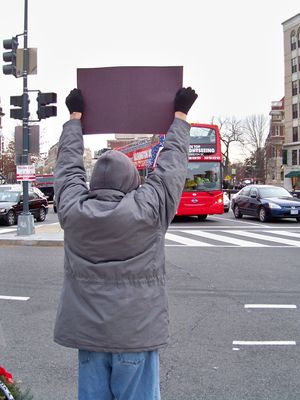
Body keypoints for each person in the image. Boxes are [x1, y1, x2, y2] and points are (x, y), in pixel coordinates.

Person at [54, 86, 198, 400]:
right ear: (132, 181)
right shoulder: (148, 209)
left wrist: (74, 119)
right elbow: (171, 167)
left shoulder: (73, 211)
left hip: (88, 338)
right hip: (136, 336)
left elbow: (67, 170)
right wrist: (181, 117)